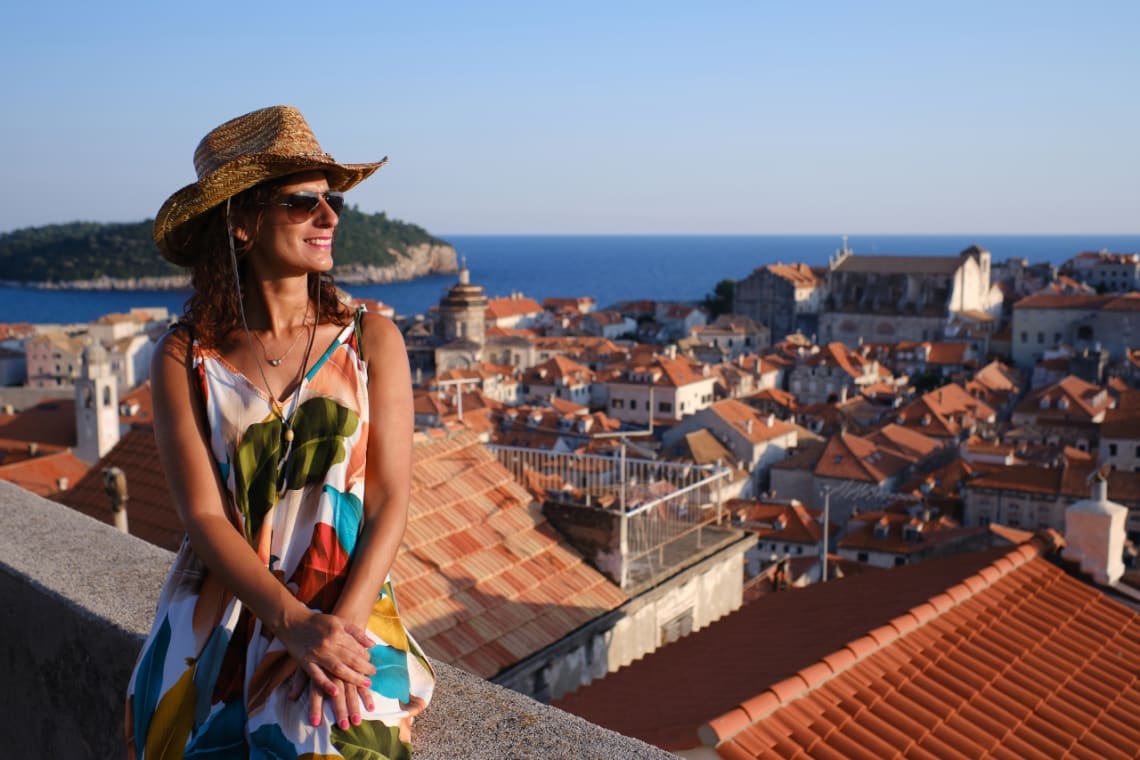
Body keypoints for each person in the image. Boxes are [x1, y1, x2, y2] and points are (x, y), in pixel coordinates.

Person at [126, 105, 434, 759]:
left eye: (332, 205)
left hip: (342, 602)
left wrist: (334, 631)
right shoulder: (187, 357)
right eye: (302, 203)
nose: (329, 218)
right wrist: (289, 624)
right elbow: (205, 517)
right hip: (223, 609)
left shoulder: (371, 341)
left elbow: (387, 503)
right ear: (240, 221)